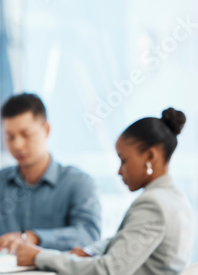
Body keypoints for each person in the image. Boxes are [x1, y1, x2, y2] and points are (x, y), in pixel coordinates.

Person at [16, 108, 194, 275]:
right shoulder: (175, 198)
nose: (119, 171)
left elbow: (109, 270)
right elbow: (125, 241)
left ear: (150, 156)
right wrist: (90, 251)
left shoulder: (153, 204)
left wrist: (40, 257)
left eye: (123, 160)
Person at [0, 93, 101, 253]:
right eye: (9, 136)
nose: (17, 145)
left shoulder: (78, 183)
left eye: (26, 135)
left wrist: (33, 237)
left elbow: (89, 235)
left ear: (46, 130)